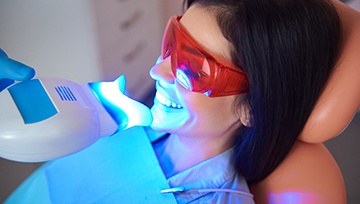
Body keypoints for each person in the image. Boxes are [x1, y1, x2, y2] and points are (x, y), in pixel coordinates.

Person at [2, 0, 343, 203]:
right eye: (170, 43)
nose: (156, 70)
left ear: (252, 107)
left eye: (192, 67)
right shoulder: (118, 115)